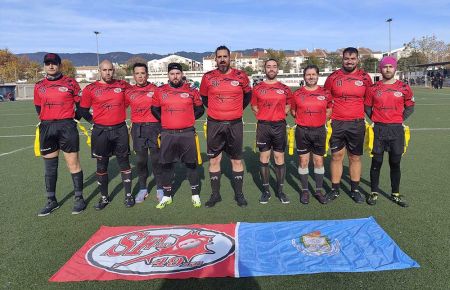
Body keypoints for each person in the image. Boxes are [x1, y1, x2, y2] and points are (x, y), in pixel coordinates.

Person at [33, 53, 86, 216]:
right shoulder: (39, 85)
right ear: (44, 66)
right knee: (50, 167)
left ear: (59, 65)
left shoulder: (71, 83)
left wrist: (71, 120)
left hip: (66, 127)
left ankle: (79, 198)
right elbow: (38, 108)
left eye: (54, 63)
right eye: (47, 63)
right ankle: (51, 201)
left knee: (73, 163)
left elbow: (81, 105)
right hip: (47, 128)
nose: (51, 66)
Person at [200, 45, 252, 207]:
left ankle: (239, 194)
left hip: (234, 124)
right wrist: (218, 111)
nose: (222, 59)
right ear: (215, 59)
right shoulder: (208, 77)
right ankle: (215, 195)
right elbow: (204, 98)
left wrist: (234, 110)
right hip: (215, 124)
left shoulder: (241, 76)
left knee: (236, 159)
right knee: (214, 160)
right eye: (219, 57)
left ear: (230, 58)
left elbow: (248, 96)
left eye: (225, 56)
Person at [79, 60, 135, 210]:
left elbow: (134, 97)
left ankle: (128, 195)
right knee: (101, 164)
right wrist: (95, 122)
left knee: (124, 162)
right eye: (104, 70)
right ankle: (104, 198)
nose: (108, 72)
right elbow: (83, 110)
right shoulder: (90, 88)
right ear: (99, 71)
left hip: (120, 130)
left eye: (110, 70)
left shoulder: (123, 85)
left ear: (114, 70)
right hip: (100, 132)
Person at [151, 63, 205, 209]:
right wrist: (166, 121)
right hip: (168, 134)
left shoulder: (191, 91)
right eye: (172, 74)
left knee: (191, 164)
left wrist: (188, 118)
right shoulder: (160, 91)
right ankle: (167, 196)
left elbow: (200, 109)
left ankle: (195, 195)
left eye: (177, 73)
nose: (175, 76)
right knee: (166, 165)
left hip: (187, 133)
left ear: (182, 74)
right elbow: (154, 109)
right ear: (168, 75)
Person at [324, 47, 373, 203]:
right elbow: (326, 99)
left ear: (358, 59)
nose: (349, 61)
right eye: (346, 58)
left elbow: (370, 101)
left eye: (352, 58)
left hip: (356, 124)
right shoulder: (333, 77)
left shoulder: (365, 78)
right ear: (342, 59)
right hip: (337, 123)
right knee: (337, 156)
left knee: (355, 157)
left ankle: (355, 190)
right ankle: (335, 189)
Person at [364, 56, 415, 207]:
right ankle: (374, 192)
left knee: (395, 162)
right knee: (376, 162)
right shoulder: (373, 88)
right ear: (380, 69)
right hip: (378, 129)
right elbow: (367, 106)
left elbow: (410, 106)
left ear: (395, 68)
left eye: (390, 67)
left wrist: (399, 118)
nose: (388, 69)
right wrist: (375, 118)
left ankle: (395, 194)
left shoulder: (404, 87)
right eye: (385, 67)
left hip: (396, 130)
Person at [251, 58, 292, 204]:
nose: (271, 69)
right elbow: (254, 106)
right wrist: (265, 116)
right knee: (264, 158)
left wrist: (281, 115)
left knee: (279, 158)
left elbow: (288, 105)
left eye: (274, 66)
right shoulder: (257, 88)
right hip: (264, 126)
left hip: (279, 126)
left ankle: (280, 191)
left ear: (277, 69)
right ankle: (266, 191)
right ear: (265, 69)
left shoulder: (285, 88)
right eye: (269, 66)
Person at [291, 65, 331, 204]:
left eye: (313, 74)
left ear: (318, 76)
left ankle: (319, 191)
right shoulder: (297, 94)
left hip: (319, 131)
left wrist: (319, 121)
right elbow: (293, 112)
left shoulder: (325, 93)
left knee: (318, 161)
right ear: (304, 77)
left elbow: (328, 110)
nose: (311, 77)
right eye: (308, 74)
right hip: (302, 131)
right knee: (303, 161)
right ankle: (305, 191)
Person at [125, 63, 163, 203]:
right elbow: (119, 106)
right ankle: (143, 188)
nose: (140, 76)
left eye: (143, 73)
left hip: (154, 128)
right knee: (141, 160)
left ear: (147, 74)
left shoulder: (156, 90)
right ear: (133, 75)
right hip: (138, 129)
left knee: (156, 159)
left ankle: (160, 187)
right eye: (137, 73)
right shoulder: (128, 92)